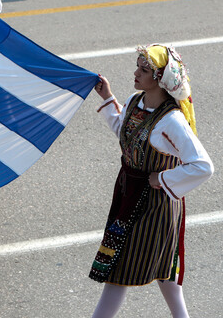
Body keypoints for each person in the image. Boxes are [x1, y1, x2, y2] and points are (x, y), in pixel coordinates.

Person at [89, 44, 214, 318]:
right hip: (129, 193)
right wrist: (108, 96)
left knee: (117, 269)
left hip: (155, 204)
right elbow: (125, 132)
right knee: (164, 271)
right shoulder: (136, 101)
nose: (135, 73)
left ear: (160, 78)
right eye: (138, 66)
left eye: (144, 70)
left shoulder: (172, 120)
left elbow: (203, 166)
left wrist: (163, 177)